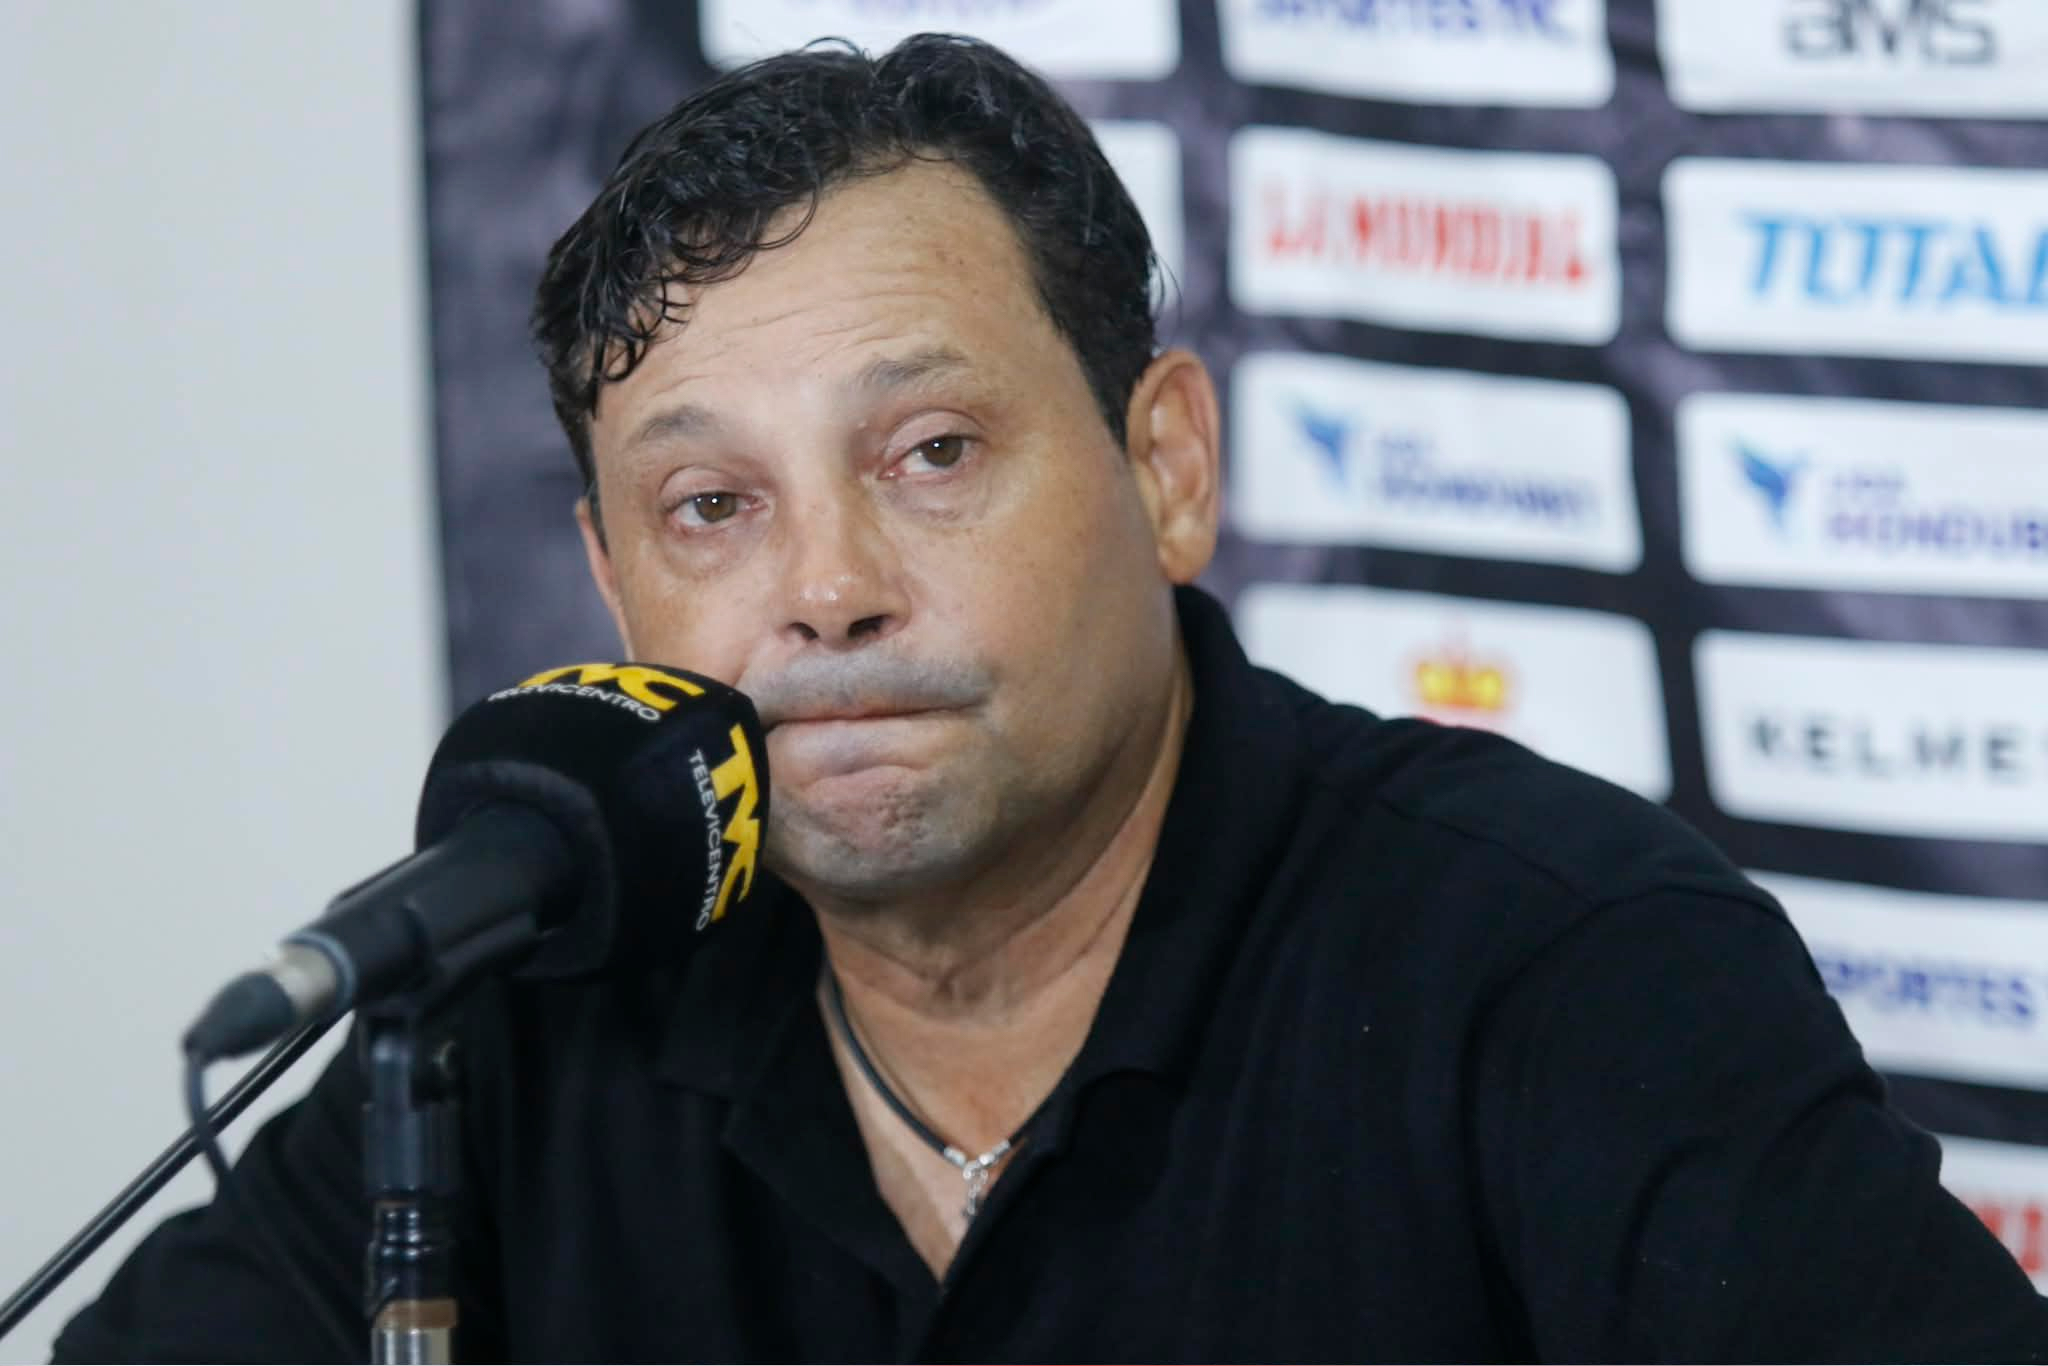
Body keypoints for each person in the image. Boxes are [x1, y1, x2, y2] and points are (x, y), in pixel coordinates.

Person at [54, 33, 2048, 1362]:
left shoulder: (1564, 968)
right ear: (610, 581)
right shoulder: (531, 995)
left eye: (929, 452)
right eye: (711, 505)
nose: (824, 588)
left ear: (1164, 463)